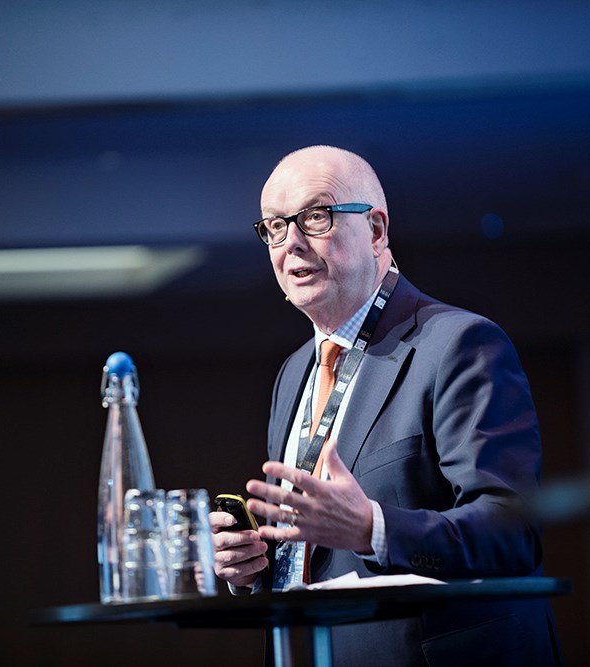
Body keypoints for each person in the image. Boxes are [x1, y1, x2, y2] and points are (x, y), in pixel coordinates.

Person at [210, 145, 562, 666]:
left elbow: (512, 533)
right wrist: (257, 567)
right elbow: (319, 560)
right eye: (275, 227)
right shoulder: (293, 374)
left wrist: (373, 528)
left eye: (315, 217)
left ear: (376, 230)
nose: (293, 244)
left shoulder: (459, 344)